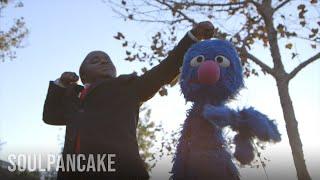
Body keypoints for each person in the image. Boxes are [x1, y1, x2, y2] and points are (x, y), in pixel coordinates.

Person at [43, 21, 214, 179]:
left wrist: (192, 38)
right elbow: (50, 116)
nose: (103, 61)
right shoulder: (74, 99)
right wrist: (61, 85)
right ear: (83, 74)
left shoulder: (127, 88)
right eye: (94, 60)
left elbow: (164, 70)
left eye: (107, 60)